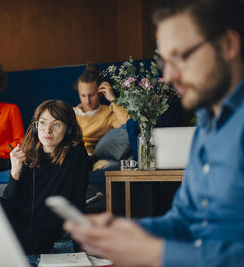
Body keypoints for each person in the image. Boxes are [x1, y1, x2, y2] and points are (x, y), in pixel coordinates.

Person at [64, 0, 244, 266]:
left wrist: (154, 253)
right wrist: (127, 231)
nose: (169, 76)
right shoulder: (207, 124)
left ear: (228, 45)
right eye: (164, 60)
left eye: (181, 56)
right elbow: (184, 221)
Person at [0, 99, 90, 267]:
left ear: (68, 130)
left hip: (40, 236)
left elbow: (78, 201)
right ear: (35, 126)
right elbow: (11, 204)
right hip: (18, 224)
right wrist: (15, 173)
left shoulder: (75, 156)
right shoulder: (28, 152)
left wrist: (82, 250)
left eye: (57, 125)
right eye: (42, 123)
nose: (47, 130)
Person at [74, 64, 131, 168]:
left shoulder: (108, 112)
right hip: (75, 153)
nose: (87, 101)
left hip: (96, 154)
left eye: (91, 95)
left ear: (100, 92)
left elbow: (130, 126)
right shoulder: (70, 113)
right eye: (83, 95)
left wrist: (113, 100)